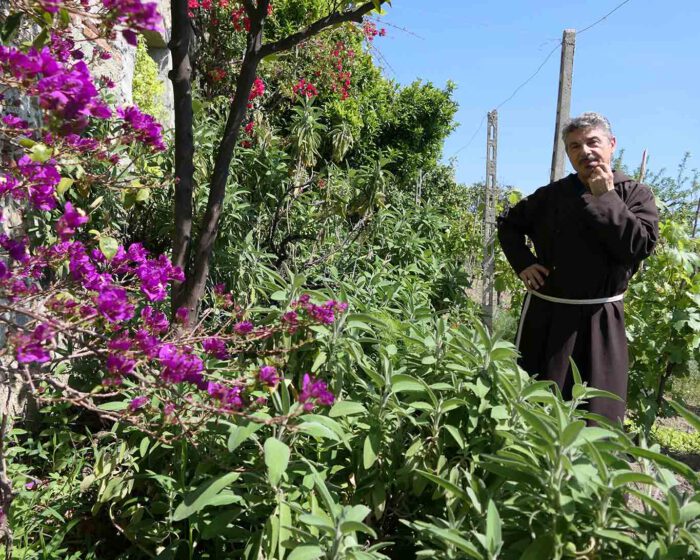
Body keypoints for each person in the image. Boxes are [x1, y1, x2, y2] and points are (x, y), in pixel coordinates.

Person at [496, 112, 659, 423]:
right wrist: (523, 263)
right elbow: (509, 225)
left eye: (592, 142)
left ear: (611, 145)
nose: (585, 151)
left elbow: (637, 248)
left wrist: (606, 197)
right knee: (537, 407)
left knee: (599, 413)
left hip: (602, 320)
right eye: (574, 146)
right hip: (548, 317)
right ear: (569, 154)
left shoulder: (635, 194)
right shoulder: (552, 195)